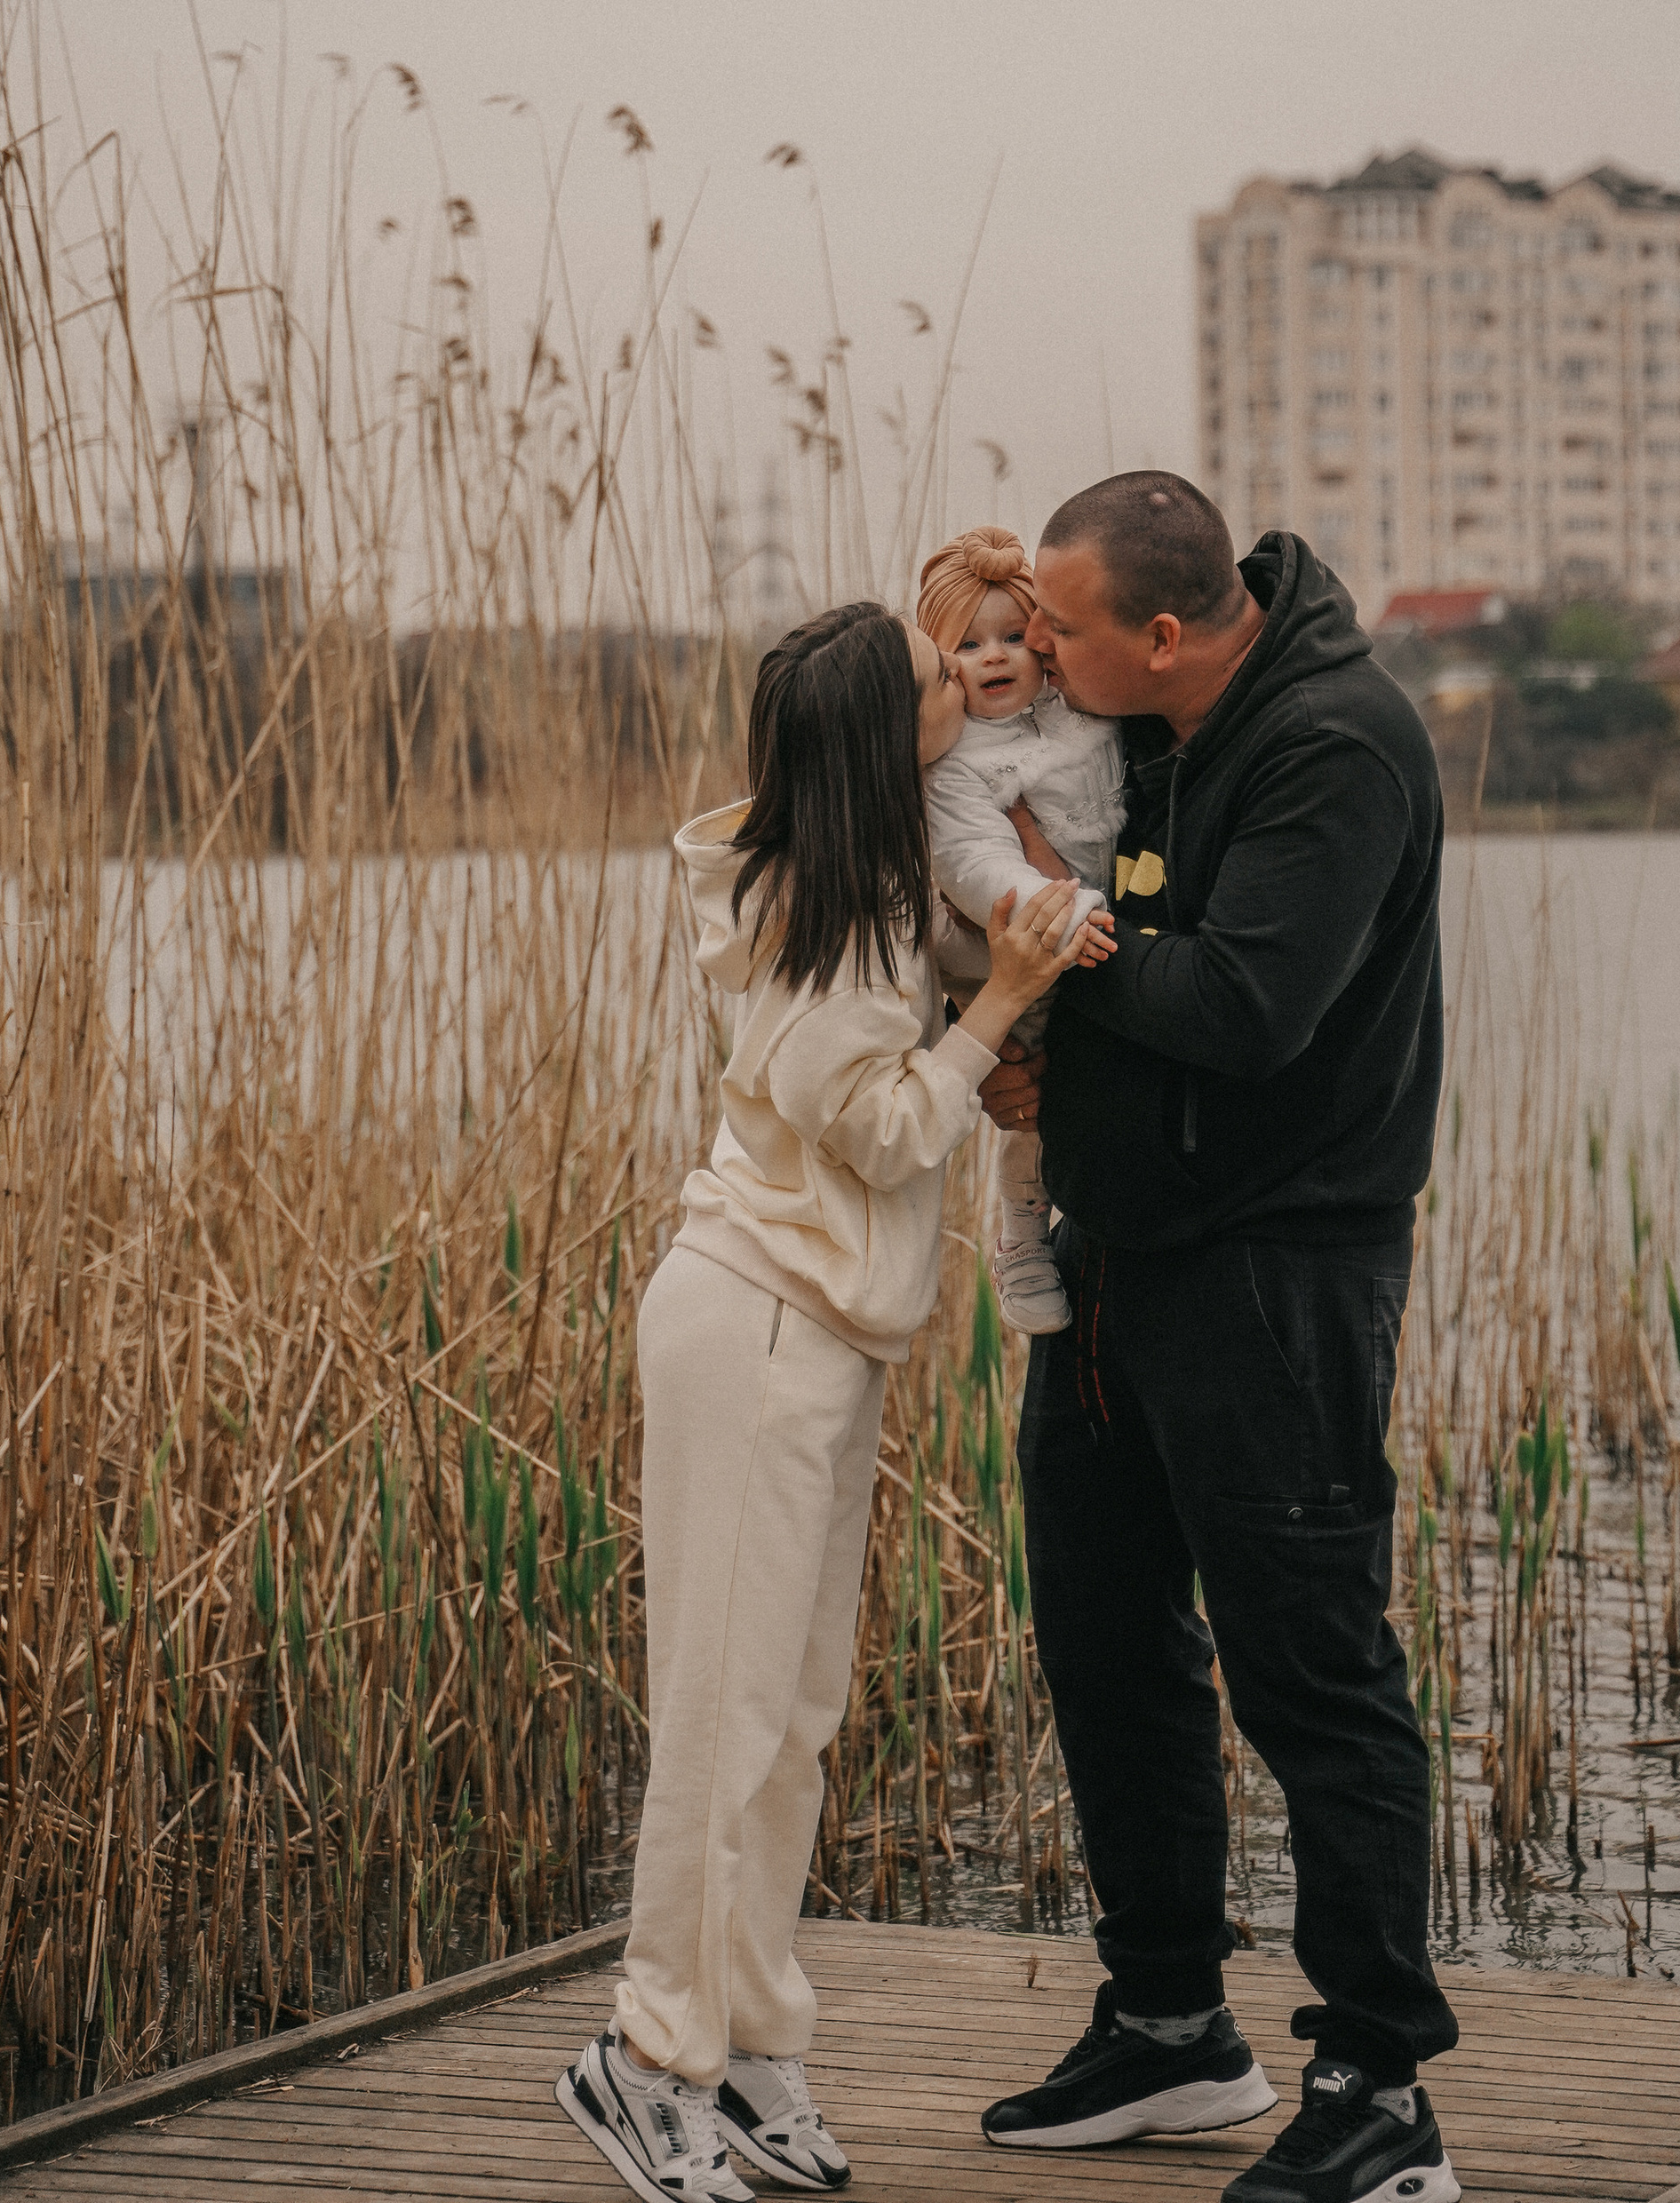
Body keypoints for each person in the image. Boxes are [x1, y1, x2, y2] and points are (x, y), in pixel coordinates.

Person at [557, 598, 1098, 2203]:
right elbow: (871, 1126)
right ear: (887, 731)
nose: (965, 676)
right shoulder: (820, 914)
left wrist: (1007, 939)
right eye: (941, 673)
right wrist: (992, 1011)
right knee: (722, 1721)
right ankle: (647, 2057)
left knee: (790, 1725)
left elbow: (941, 978)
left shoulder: (861, 884)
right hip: (757, 1326)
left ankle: (750, 2042)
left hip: (821, 1334)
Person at [976, 474, 1461, 2203]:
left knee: (1311, 1674)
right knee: (1105, 1645)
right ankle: (1174, 2027)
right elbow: (1132, 977)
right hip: (1112, 1262)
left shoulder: (1331, 744)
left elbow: (1244, 1011)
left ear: (1160, 634)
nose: (1034, 645)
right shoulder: (1138, 736)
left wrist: (1056, 917)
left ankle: (1380, 2093)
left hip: (1272, 1277)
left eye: (1060, 624)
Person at [915, 524, 1123, 1333]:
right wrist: (1059, 908)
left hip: (1109, 933)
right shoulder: (955, 766)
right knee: (1028, 1095)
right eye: (966, 645)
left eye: (1010, 637)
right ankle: (1023, 1238)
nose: (993, 657)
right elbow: (975, 865)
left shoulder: (1085, 718)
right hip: (1037, 947)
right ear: (939, 665)